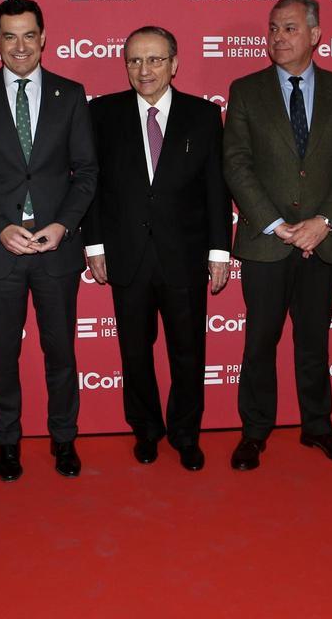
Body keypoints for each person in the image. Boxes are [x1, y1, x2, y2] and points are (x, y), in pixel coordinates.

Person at [0, 0, 97, 481]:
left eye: (29, 35)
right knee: (1, 355)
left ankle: (64, 438)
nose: (20, 46)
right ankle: (8, 441)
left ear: (43, 37)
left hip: (56, 248)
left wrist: (63, 225)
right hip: (0, 251)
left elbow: (87, 171)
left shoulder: (70, 93)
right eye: (9, 36)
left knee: (61, 352)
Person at [222, 0, 332, 471]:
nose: (278, 37)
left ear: (315, 34)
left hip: (321, 242)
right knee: (259, 342)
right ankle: (254, 431)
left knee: (314, 342)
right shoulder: (246, 90)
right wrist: (278, 224)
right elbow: (236, 163)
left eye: (289, 28)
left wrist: (323, 222)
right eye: (273, 29)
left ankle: (318, 427)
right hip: (266, 241)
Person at [83, 26, 231, 471]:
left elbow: (216, 187)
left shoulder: (203, 115)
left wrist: (219, 252)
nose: (144, 70)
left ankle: (186, 434)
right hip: (126, 253)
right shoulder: (102, 113)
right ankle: (146, 430)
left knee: (189, 350)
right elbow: (91, 185)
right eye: (134, 60)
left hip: (184, 254)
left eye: (154, 59)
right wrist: (94, 243)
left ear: (174, 63)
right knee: (134, 351)